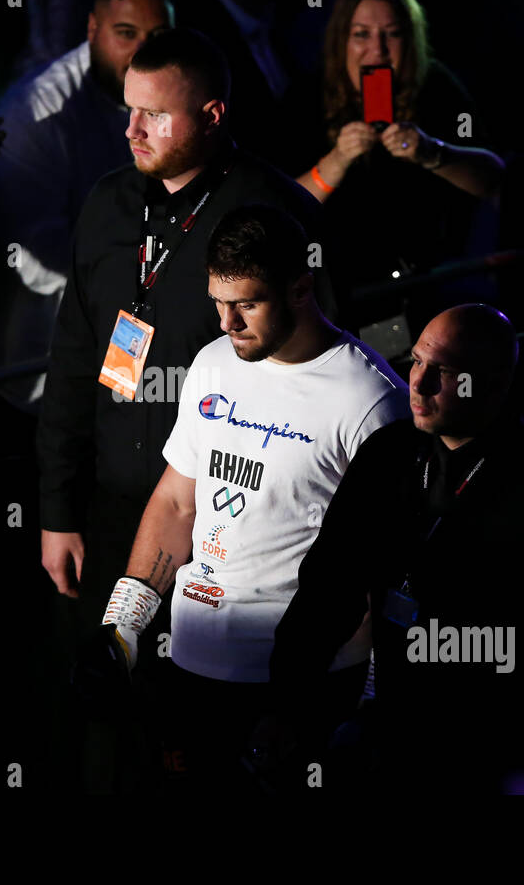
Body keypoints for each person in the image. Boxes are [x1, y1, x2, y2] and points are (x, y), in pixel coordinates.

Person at [83, 204, 410, 791]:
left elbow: (383, 564)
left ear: (301, 288)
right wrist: (124, 626)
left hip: (298, 683)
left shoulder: (370, 401)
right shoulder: (213, 364)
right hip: (192, 661)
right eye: (217, 303)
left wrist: (368, 691)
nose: (227, 323)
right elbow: (179, 500)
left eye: (247, 305)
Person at [37, 28, 330, 623]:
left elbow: (314, 377)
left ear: (212, 114)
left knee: (205, 700)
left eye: (153, 114)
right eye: (129, 110)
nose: (132, 130)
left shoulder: (277, 213)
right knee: (105, 687)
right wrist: (57, 511)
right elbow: (72, 360)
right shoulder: (107, 203)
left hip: (230, 518)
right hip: (114, 506)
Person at [266, 304, 524, 793]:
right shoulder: (386, 455)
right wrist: (288, 700)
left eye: (445, 372)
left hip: (503, 749)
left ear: (493, 382)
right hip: (397, 733)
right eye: (415, 362)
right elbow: (328, 587)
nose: (418, 383)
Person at [0, 0, 173, 418]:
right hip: (39, 364)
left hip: (134, 351)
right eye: (125, 33)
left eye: (156, 37)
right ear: (92, 28)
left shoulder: (175, 89)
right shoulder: (37, 113)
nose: (142, 53)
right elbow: (38, 260)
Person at [294, 0, 504, 333]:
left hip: (429, 290)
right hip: (338, 299)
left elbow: (493, 177)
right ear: (341, 40)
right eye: (361, 35)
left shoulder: (434, 85)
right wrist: (335, 162)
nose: (377, 50)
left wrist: (432, 153)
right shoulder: (307, 96)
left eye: (391, 35)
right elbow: (280, 203)